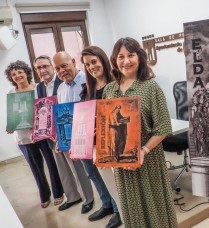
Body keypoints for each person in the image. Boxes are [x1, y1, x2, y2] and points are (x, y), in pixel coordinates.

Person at [103, 37, 177, 227]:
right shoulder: (109, 90)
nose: (126, 61)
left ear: (140, 58)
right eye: (121, 56)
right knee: (131, 208)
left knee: (154, 208)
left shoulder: (151, 87)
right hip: (121, 164)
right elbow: (107, 125)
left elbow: (162, 127)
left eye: (131, 55)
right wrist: (106, 153)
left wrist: (142, 151)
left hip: (148, 160)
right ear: (114, 60)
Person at [5, 60, 64, 208]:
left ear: (26, 73)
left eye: (20, 72)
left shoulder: (38, 88)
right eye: (13, 74)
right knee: (35, 168)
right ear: (11, 78)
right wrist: (10, 125)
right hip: (23, 137)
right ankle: (44, 196)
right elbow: (13, 115)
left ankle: (58, 193)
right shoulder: (11, 93)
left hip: (41, 133)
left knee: (51, 164)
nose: (17, 76)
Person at [80, 45, 122, 227]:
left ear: (102, 60)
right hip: (97, 145)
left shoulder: (117, 84)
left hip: (117, 143)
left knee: (120, 181)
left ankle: (122, 211)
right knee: (107, 181)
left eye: (94, 62)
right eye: (87, 64)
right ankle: (115, 209)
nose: (91, 67)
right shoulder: (87, 89)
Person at [52, 52, 94, 214]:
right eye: (57, 69)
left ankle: (112, 204)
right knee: (82, 171)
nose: (62, 71)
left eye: (64, 65)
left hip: (91, 134)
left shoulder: (87, 80)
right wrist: (60, 139)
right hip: (73, 137)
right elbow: (63, 115)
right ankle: (88, 199)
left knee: (98, 173)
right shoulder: (61, 88)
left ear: (74, 62)